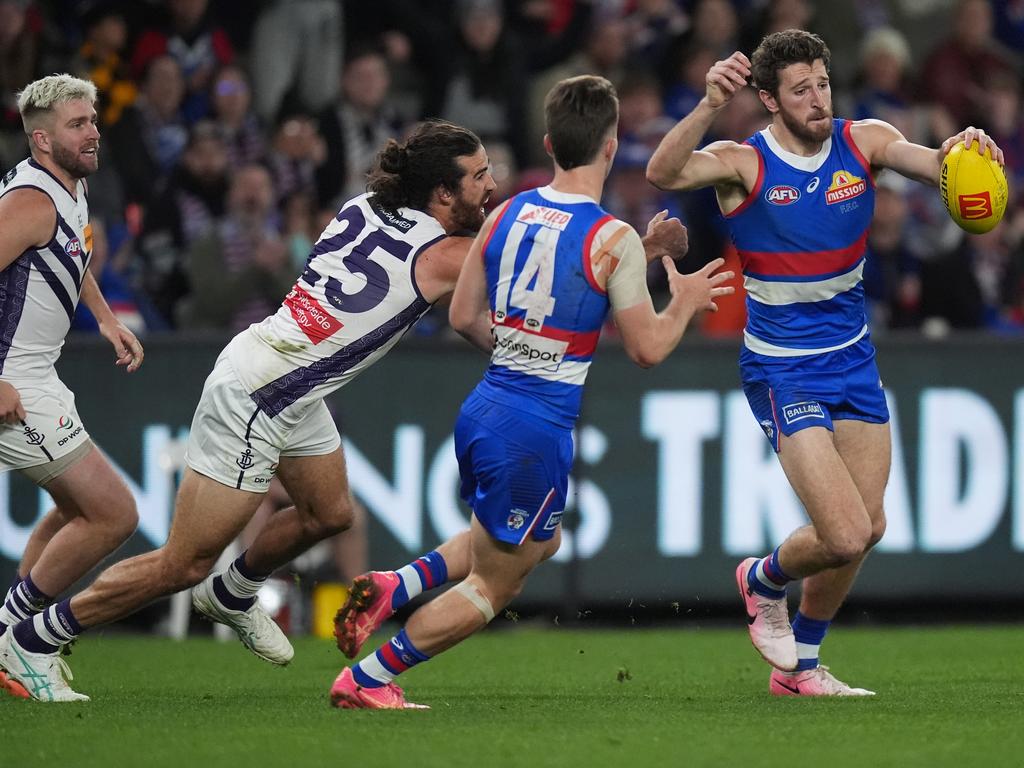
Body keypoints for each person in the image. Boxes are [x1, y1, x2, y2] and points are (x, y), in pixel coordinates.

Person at [0, 119, 497, 702]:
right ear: (443, 192)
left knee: (331, 513)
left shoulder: (365, 206)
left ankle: (234, 592)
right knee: (183, 564)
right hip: (261, 395)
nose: (493, 185)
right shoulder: (447, 254)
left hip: (287, 374)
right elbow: (525, 267)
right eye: (481, 176)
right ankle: (33, 640)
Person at [329, 74, 734, 710]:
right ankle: (369, 678)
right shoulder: (612, 238)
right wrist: (680, 301)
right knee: (494, 587)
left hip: (487, 404)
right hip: (534, 427)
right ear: (611, 146)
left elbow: (464, 316)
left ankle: (393, 584)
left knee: (541, 540)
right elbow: (648, 347)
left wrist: (526, 350)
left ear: (548, 143)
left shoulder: (507, 212)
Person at [645, 29, 1004, 696]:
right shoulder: (742, 163)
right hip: (783, 367)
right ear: (769, 100)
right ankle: (761, 580)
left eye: (823, 84)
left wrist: (965, 150)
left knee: (868, 528)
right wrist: (705, 105)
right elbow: (663, 173)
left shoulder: (862, 141)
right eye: (800, 90)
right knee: (840, 534)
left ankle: (801, 670)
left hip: (853, 361)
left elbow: (933, 163)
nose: (817, 100)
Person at [0, 74, 145, 698]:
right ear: (41, 138)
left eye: (93, 120)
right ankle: (18, 643)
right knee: (114, 513)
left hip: (36, 374)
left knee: (76, 509)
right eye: (77, 124)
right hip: (16, 379)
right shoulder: (30, 201)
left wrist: (106, 318)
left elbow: (72, 255)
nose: (93, 132)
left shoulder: (70, 187)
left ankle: (13, 639)